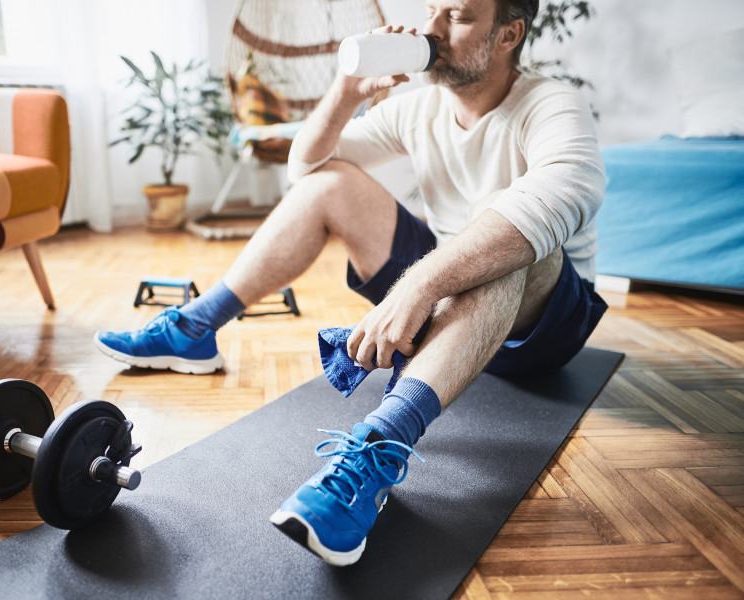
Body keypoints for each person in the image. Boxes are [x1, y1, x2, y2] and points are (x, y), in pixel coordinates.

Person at [95, 0, 606, 566]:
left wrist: (419, 285)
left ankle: (378, 450)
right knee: (330, 183)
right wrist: (345, 91)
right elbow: (307, 169)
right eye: (432, 8)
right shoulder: (422, 108)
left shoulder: (549, 101)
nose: (431, 27)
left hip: (546, 322)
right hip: (453, 292)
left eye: (456, 16)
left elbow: (574, 188)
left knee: (503, 219)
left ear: (508, 34)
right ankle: (194, 327)